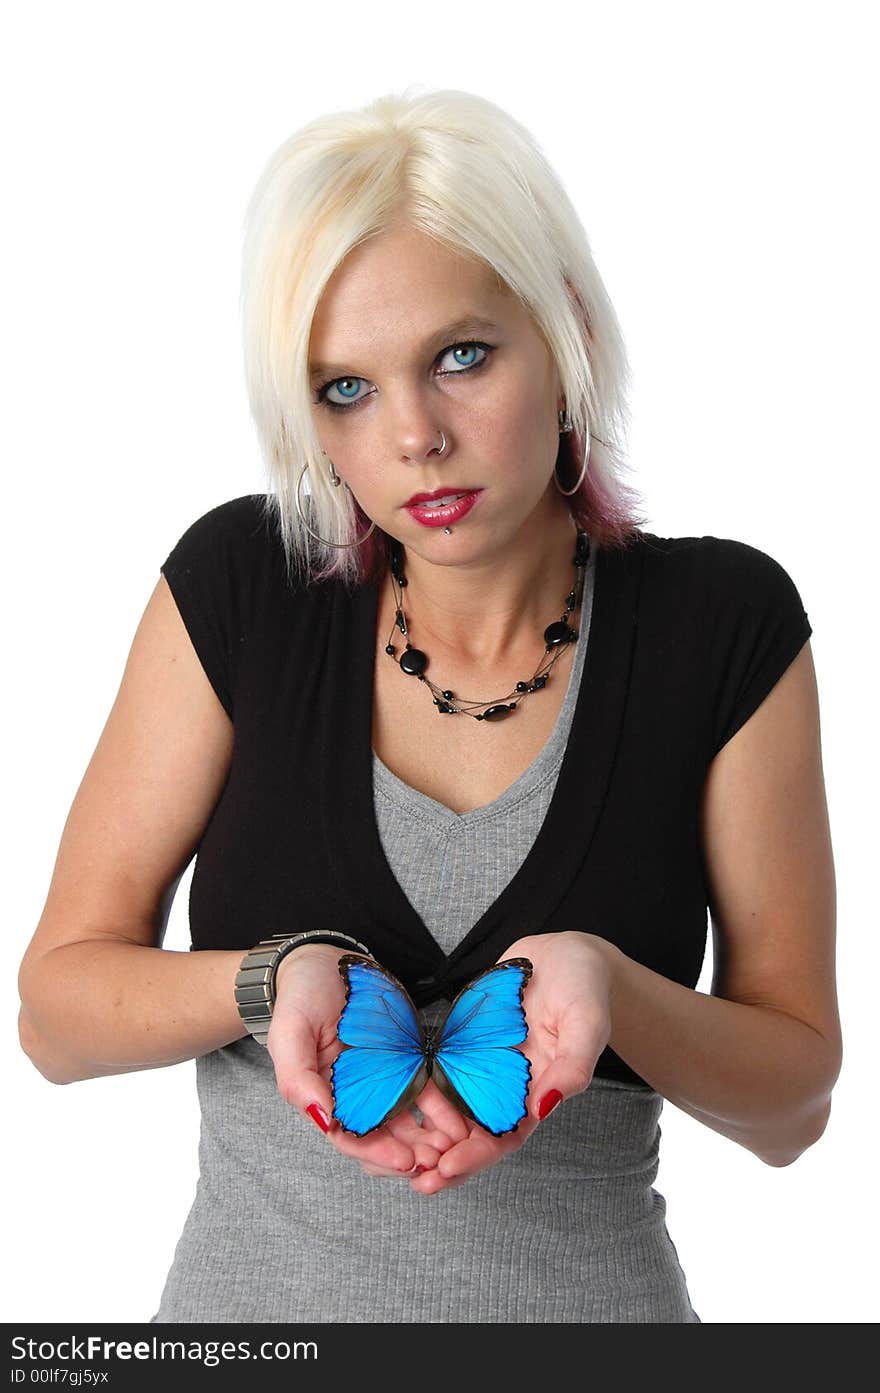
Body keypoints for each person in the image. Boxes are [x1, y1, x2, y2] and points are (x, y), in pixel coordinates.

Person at [16, 86, 841, 1325]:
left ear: (561, 330)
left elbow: (793, 1108)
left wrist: (608, 982)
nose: (413, 436)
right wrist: (273, 977)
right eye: (345, 388)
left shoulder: (721, 624)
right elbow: (54, 1018)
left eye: (461, 356)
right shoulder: (245, 588)